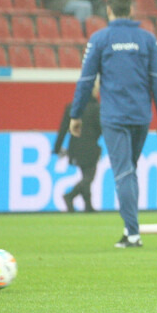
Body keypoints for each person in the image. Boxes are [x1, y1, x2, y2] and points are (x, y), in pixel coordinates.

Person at [69, 0, 157, 249]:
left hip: (114, 117)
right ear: (132, 11)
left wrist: (76, 114)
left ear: (109, 11)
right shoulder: (147, 39)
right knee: (129, 171)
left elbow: (86, 80)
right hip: (141, 116)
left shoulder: (100, 39)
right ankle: (131, 230)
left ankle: (133, 234)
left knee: (124, 172)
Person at [54, 78, 102, 212]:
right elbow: (101, 128)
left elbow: (63, 129)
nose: (98, 92)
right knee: (89, 177)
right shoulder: (97, 108)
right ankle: (70, 196)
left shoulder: (72, 107)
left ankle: (88, 206)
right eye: (96, 89)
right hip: (91, 148)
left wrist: (57, 148)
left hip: (74, 148)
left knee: (86, 176)